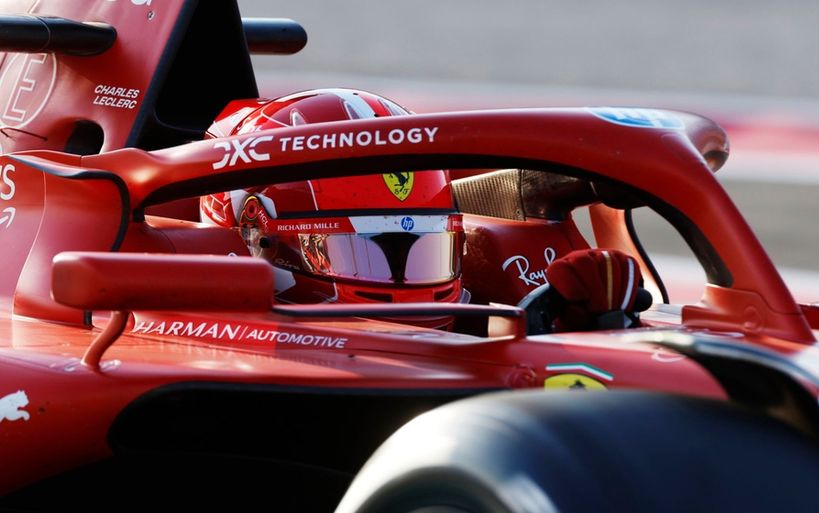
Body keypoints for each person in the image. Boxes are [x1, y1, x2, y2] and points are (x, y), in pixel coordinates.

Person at [200, 87, 648, 331]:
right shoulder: (195, 351)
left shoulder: (474, 318)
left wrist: (585, 322)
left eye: (424, 251)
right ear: (257, 239)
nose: (401, 283)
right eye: (364, 254)